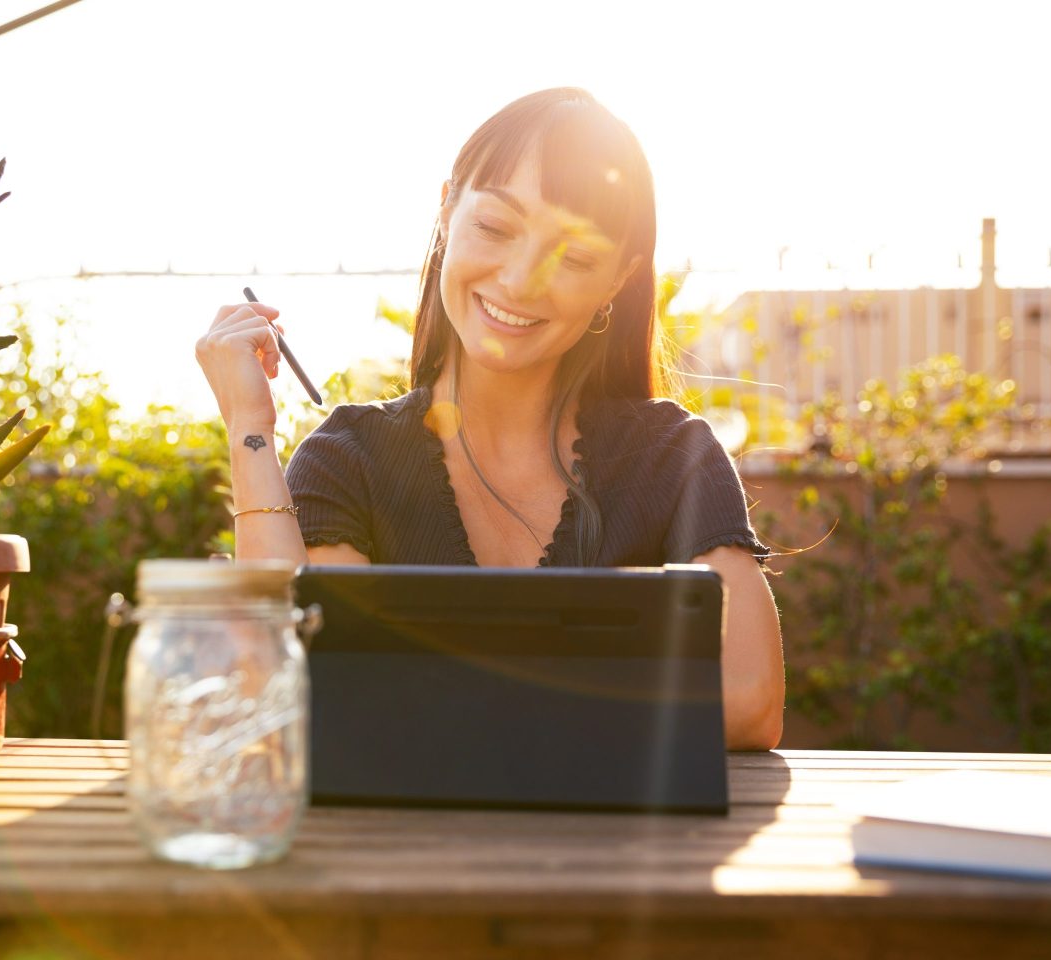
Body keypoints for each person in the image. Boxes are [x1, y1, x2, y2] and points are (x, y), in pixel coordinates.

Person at [195, 88, 784, 750]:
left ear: (618, 279)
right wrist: (250, 428)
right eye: (496, 228)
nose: (521, 280)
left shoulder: (675, 458)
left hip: (624, 853)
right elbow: (295, 689)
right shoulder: (350, 457)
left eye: (576, 257)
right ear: (447, 210)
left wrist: (424, 701)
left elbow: (749, 701)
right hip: (398, 851)